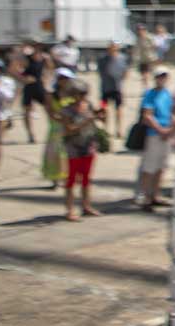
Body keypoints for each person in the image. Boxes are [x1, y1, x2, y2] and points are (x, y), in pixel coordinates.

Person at [60, 80, 105, 221]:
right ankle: (70, 209)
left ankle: (86, 206)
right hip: (73, 146)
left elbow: (96, 122)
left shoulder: (89, 106)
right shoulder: (67, 110)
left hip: (88, 144)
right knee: (71, 179)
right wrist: (87, 120)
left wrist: (100, 116)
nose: (82, 96)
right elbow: (69, 129)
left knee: (86, 178)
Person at [139, 67, 174, 210]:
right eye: (160, 76)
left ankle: (156, 194)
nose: (162, 79)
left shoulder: (167, 94)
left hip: (166, 133)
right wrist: (160, 130)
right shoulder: (150, 94)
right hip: (154, 133)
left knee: (161, 165)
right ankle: (146, 196)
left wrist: (170, 130)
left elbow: (173, 112)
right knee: (149, 166)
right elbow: (147, 115)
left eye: (164, 76)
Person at [42, 68, 77, 189]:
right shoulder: (51, 95)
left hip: (70, 127)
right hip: (57, 127)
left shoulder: (73, 93)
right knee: (55, 153)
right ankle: (55, 178)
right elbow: (50, 112)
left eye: (66, 79)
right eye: (61, 78)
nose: (64, 81)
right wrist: (63, 120)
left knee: (69, 153)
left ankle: (68, 177)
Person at [18, 45, 50, 143]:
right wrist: (22, 78)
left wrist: (46, 78)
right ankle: (30, 134)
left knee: (49, 108)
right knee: (27, 111)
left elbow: (50, 68)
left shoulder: (43, 58)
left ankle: (53, 130)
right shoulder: (25, 58)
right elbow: (13, 69)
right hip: (28, 87)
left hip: (39, 86)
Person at [96, 40, 128, 138]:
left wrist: (121, 80)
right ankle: (105, 129)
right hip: (105, 89)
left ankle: (119, 130)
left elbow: (125, 71)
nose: (113, 49)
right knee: (104, 109)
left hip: (117, 89)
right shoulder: (102, 59)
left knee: (118, 110)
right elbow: (101, 72)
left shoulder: (122, 58)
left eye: (114, 47)